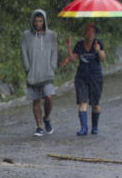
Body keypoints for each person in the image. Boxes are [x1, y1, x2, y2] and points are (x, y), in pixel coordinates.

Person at [20, 9, 59, 137]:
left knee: (49, 96)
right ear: (32, 21)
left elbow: (55, 52)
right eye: (36, 21)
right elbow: (23, 53)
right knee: (36, 100)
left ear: (44, 21)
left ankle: (46, 118)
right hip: (33, 73)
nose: (38, 24)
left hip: (47, 72)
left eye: (40, 21)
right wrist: (27, 68)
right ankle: (39, 126)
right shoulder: (26, 35)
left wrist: (52, 66)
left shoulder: (51, 35)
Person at [63, 21, 106, 135]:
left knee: (95, 104)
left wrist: (98, 50)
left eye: (92, 31)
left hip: (95, 77)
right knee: (82, 102)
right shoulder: (79, 44)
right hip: (81, 77)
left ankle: (95, 127)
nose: (89, 33)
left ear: (95, 33)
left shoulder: (98, 43)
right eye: (87, 31)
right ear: (84, 33)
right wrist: (68, 48)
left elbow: (103, 59)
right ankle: (83, 128)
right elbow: (73, 58)